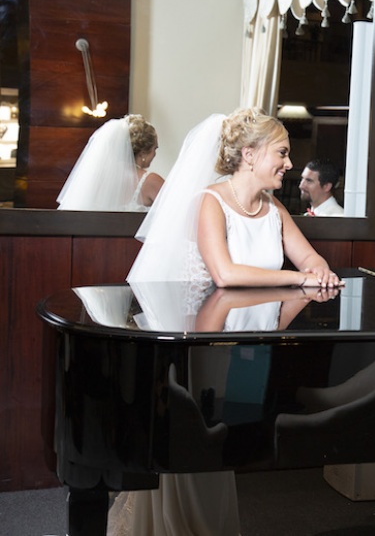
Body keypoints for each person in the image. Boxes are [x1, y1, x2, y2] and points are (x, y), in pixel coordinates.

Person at [115, 108, 343, 535]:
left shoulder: (274, 209)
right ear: (250, 154)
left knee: (228, 447)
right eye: (282, 153)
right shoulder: (211, 202)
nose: (289, 164)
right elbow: (225, 273)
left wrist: (320, 269)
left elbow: (308, 255)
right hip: (208, 346)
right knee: (204, 442)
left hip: (254, 345)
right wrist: (299, 278)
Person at [57, 114, 163, 211]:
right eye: (155, 149)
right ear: (143, 153)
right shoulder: (151, 181)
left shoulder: (94, 179)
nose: (155, 154)